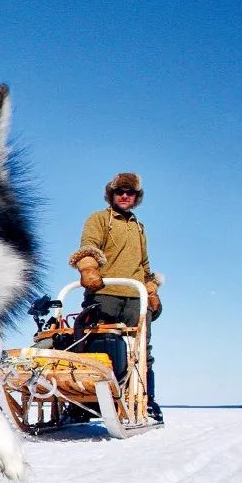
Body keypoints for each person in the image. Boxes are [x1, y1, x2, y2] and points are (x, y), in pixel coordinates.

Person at [67, 172, 163, 422]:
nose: (124, 196)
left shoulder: (139, 228)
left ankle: (146, 401)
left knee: (142, 351)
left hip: (134, 297)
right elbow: (88, 246)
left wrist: (151, 290)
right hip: (105, 293)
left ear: (136, 197)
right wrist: (88, 268)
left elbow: (144, 264)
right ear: (111, 194)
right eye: (119, 191)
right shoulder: (99, 219)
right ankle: (82, 403)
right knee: (93, 347)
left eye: (129, 193)